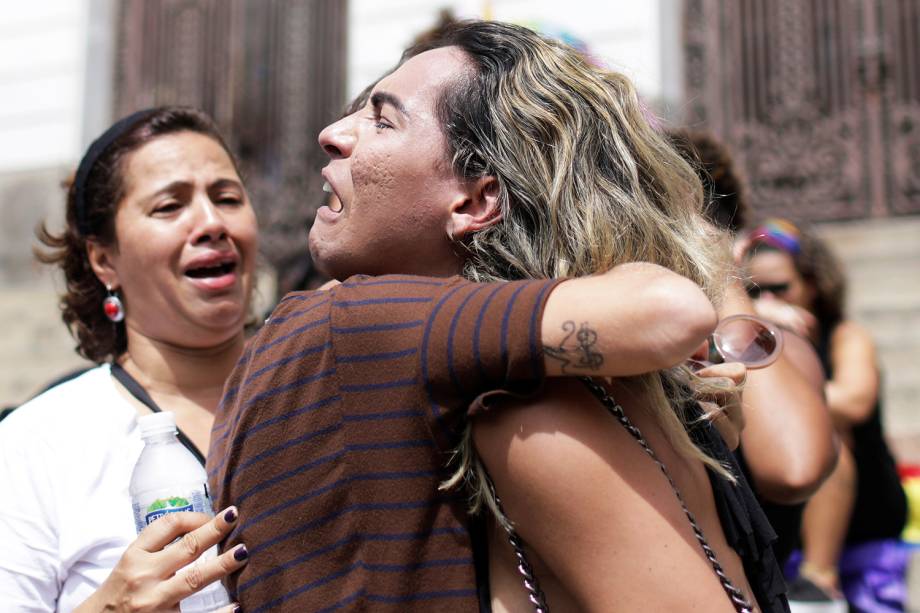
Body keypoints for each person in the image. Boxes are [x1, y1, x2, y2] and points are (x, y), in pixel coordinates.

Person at [210, 20, 787, 612]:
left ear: (477, 201)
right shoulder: (510, 402)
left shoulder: (528, 415)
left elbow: (670, 311)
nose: (332, 134)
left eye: (383, 120)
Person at [0, 107, 256, 612]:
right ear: (104, 260)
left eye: (227, 198)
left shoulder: (319, 383)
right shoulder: (36, 445)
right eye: (169, 207)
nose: (211, 223)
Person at [744, 219, 908, 610]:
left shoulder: (844, 336)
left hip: (864, 524)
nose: (768, 301)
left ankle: (821, 578)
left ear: (813, 285)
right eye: (754, 291)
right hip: (789, 527)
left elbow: (853, 401)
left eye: (780, 288)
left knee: (818, 426)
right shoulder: (745, 337)